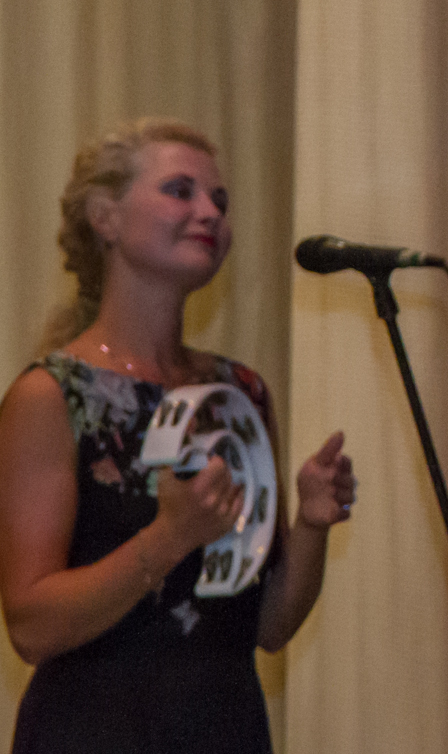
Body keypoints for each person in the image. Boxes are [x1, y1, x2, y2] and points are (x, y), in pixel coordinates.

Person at [0, 118, 357, 753]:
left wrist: (311, 524)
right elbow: (31, 627)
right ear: (105, 218)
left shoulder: (241, 393)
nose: (209, 213)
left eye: (219, 200)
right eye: (179, 190)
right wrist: (170, 536)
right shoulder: (50, 395)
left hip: (226, 729)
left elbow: (268, 625)